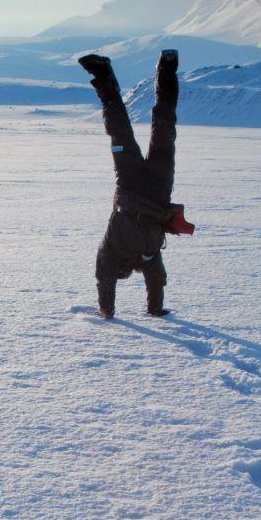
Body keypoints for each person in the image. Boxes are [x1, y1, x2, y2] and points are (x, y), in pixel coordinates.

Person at [80, 50, 192, 319]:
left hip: (146, 187)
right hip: (144, 189)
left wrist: (108, 311)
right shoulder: (147, 258)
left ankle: (106, 75)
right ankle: (165, 69)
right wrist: (153, 310)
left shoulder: (117, 253)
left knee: (153, 129)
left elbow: (109, 279)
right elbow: (153, 281)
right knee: (152, 129)